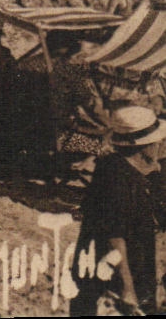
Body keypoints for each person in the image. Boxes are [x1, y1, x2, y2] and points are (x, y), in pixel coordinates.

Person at [69, 106, 166, 316]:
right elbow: (114, 237)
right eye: (157, 141)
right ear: (144, 147)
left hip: (128, 278)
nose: (160, 145)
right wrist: (127, 289)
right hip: (110, 287)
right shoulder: (116, 179)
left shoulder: (130, 170)